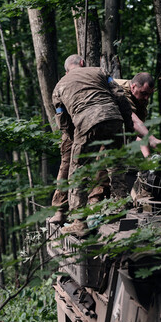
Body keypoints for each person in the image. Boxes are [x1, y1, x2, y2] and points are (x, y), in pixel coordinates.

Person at [49, 54, 132, 226]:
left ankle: (79, 222)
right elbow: (120, 95)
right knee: (116, 165)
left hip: (86, 123)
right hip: (113, 119)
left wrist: (74, 137)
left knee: (78, 172)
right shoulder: (100, 71)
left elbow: (61, 119)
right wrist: (128, 123)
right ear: (82, 63)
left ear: (67, 70)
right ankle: (119, 208)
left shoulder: (58, 87)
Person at [120, 72, 161, 157]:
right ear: (133, 87)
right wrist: (153, 139)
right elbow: (132, 119)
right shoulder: (121, 91)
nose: (147, 98)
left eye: (149, 94)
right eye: (144, 93)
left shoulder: (141, 98)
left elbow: (140, 131)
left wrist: (148, 159)